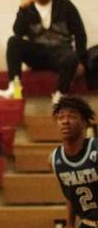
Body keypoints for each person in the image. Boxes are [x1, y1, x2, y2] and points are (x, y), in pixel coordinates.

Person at [0, 0, 87, 103]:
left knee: (72, 55)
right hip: (38, 53)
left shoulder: (64, 5)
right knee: (13, 41)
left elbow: (80, 32)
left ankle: (60, 94)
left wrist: (81, 61)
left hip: (60, 53)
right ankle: (14, 88)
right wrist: (22, 9)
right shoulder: (28, 8)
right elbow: (18, 32)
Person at [51, 95, 98, 227]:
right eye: (61, 117)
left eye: (72, 116)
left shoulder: (96, 149)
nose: (65, 121)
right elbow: (70, 197)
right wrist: (70, 224)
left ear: (84, 123)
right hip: (87, 224)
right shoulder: (55, 159)